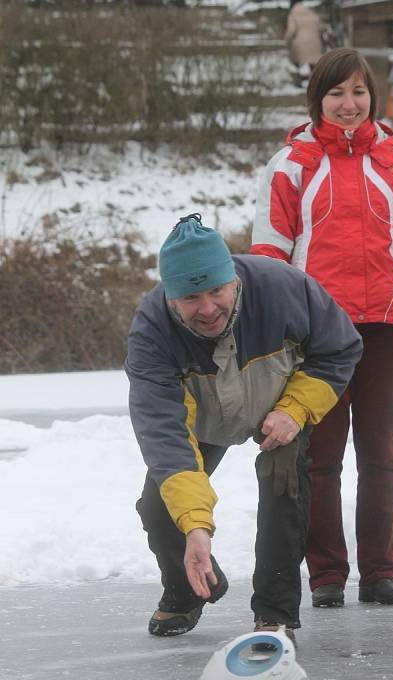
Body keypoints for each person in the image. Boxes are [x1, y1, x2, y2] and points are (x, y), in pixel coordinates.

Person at [251, 48, 393, 609]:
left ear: (372, 98)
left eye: (358, 92)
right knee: (321, 459)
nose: (348, 103)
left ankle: (381, 572)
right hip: (317, 336)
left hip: (386, 328)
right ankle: (327, 576)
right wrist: (274, 333)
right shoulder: (290, 165)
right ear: (318, 99)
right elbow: (269, 257)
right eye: (336, 93)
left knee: (381, 454)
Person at [125, 213, 362, 643]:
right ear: (172, 298)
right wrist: (196, 528)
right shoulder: (152, 332)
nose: (208, 307)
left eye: (217, 290)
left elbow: (339, 347)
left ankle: (275, 613)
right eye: (192, 297)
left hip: (280, 403)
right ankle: (186, 589)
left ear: (233, 279)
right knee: (161, 508)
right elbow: (164, 435)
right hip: (203, 418)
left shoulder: (283, 288)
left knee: (283, 482)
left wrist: (295, 409)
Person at [285, 0, 324, 86]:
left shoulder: (293, 15)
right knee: (313, 63)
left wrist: (287, 41)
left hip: (299, 45)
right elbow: (320, 28)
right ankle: (315, 81)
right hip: (315, 44)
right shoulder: (312, 14)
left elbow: (291, 31)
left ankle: (301, 81)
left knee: (298, 62)